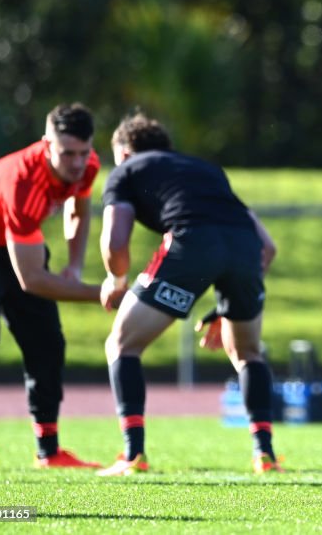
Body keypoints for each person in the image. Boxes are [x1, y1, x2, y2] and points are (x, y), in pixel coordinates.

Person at [96, 112, 281, 476]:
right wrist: (225, 304)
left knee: (121, 345)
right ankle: (265, 455)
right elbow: (267, 247)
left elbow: (115, 241)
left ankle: (133, 455)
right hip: (245, 248)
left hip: (192, 243)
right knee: (248, 353)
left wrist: (116, 281)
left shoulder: (127, 169)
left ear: (125, 153)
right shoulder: (204, 169)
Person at [0, 104, 104, 471]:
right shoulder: (23, 183)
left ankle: (49, 451)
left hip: (16, 245)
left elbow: (78, 211)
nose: (78, 162)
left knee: (47, 340)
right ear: (46, 144)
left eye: (84, 152)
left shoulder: (87, 165)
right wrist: (101, 293)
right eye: (68, 153)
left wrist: (75, 268)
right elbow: (31, 279)